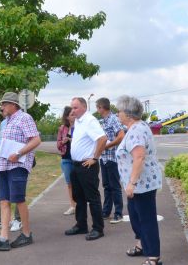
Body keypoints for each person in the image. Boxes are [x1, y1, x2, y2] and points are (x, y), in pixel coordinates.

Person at [0, 92, 41, 251]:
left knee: (18, 199)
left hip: (18, 166)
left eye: (4, 104)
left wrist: (19, 153)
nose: (1, 107)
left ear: (13, 105)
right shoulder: (6, 121)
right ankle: (3, 238)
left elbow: (36, 140)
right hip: (4, 166)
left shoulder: (24, 118)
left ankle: (26, 234)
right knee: (3, 200)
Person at [115, 95, 162, 265]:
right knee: (135, 216)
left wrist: (132, 183)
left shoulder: (136, 130)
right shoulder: (136, 128)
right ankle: (142, 244)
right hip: (137, 184)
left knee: (146, 218)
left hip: (141, 184)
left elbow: (139, 157)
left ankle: (153, 257)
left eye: (119, 111)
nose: (117, 114)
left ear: (128, 114)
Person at [64, 97, 107, 241]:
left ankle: (98, 228)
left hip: (87, 165)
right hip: (76, 165)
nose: (73, 110)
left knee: (92, 197)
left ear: (84, 107)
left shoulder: (89, 120)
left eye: (75, 108)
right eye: (72, 108)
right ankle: (81, 225)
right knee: (78, 197)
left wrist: (94, 158)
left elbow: (102, 138)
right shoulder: (78, 121)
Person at [95, 97, 126, 223]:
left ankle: (118, 213)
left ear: (102, 107)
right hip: (104, 158)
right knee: (106, 185)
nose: (97, 110)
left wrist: (107, 145)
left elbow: (121, 135)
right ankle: (106, 211)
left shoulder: (113, 119)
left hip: (112, 157)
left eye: (97, 107)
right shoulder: (102, 121)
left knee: (114, 186)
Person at [56, 106, 76, 215]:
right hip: (66, 159)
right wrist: (63, 142)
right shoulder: (62, 128)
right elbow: (58, 145)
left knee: (80, 183)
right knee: (69, 184)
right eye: (72, 114)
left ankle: (80, 204)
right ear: (67, 117)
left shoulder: (79, 127)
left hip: (78, 159)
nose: (74, 116)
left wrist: (71, 139)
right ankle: (72, 206)